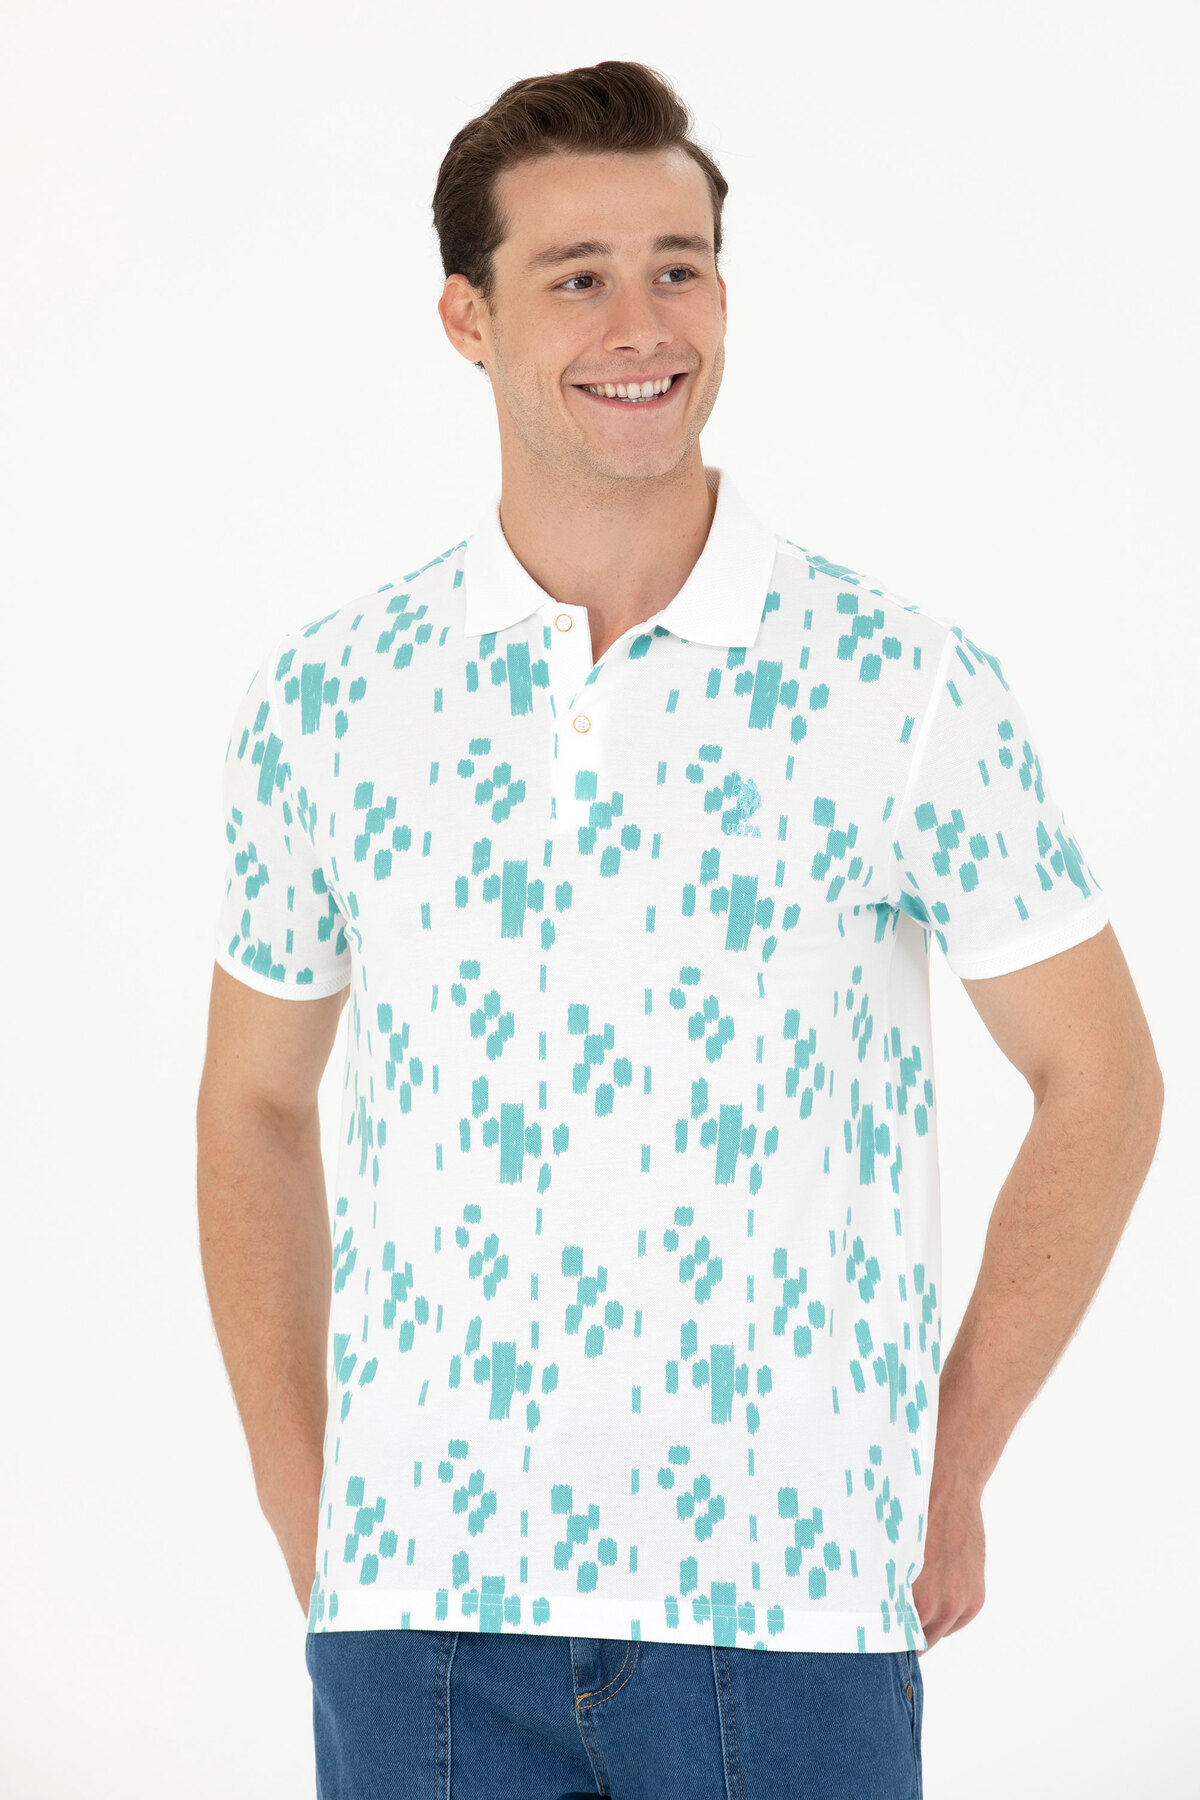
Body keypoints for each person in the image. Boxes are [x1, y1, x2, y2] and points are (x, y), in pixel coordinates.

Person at [196, 58, 1163, 1800]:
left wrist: (952, 1456)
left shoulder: (900, 684)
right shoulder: (332, 698)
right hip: (417, 1612)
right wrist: (303, 1494)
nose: (642, 324)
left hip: (786, 1603)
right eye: (576, 276)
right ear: (467, 319)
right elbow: (254, 1100)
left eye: (679, 267)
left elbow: (1103, 1080)